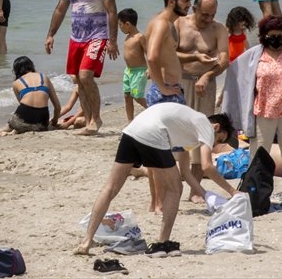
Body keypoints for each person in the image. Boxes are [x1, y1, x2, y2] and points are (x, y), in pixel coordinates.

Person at [74, 104, 236, 258]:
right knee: (175, 189)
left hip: (132, 131)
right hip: (154, 132)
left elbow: (186, 173)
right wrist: (233, 191)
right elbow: (207, 166)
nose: (216, 145)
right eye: (220, 140)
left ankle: (86, 241)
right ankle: (162, 243)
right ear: (216, 127)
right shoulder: (206, 126)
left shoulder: (188, 130)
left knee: (110, 188)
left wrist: (207, 195)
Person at [221, 15, 282, 197]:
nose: (275, 39)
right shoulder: (255, 55)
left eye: (279, 34)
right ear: (264, 35)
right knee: (258, 151)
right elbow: (236, 72)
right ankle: (256, 186)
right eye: (271, 35)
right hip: (263, 109)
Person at [44, 0, 117, 135]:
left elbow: (112, 12)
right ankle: (88, 120)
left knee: (86, 76)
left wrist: (113, 40)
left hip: (98, 36)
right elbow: (61, 9)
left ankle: (96, 118)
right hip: (76, 38)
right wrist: (51, 34)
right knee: (77, 80)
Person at [0, 56, 62, 139]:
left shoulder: (16, 83)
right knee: (31, 126)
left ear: (16, 70)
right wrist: (54, 121)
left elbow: (23, 106)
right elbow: (57, 106)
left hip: (24, 115)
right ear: (31, 66)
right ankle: (13, 131)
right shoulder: (44, 77)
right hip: (42, 120)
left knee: (8, 126)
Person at [176, 0, 229, 116]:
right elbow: (169, 53)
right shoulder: (179, 23)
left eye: (213, 15)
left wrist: (207, 76)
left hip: (206, 85)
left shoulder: (219, 29)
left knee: (204, 124)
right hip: (181, 82)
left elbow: (225, 60)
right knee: (180, 125)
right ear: (195, 9)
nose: (209, 19)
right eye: (205, 15)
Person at [117, 9, 147, 122]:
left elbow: (148, 53)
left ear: (128, 24)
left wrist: (150, 70)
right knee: (127, 96)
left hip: (139, 72)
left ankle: (153, 109)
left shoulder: (140, 37)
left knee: (137, 96)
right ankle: (130, 121)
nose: (120, 28)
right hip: (128, 71)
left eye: (120, 25)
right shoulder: (127, 37)